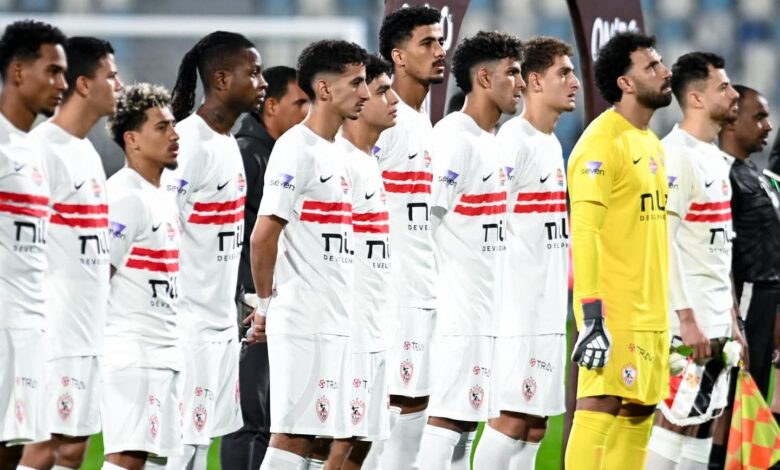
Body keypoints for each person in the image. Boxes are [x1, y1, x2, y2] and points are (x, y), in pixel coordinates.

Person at [249, 39, 369, 470]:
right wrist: (266, 305)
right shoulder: (295, 147)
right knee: (293, 437)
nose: (365, 93)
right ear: (324, 88)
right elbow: (264, 235)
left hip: (333, 317)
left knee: (319, 441)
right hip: (304, 320)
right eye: (356, 83)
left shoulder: (336, 152)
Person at [563, 31, 673, 470]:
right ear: (625, 83)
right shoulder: (601, 143)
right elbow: (584, 233)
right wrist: (591, 316)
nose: (665, 72)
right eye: (652, 67)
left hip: (652, 313)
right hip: (615, 313)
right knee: (599, 408)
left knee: (639, 414)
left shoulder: (651, 142)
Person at [162, 30, 268, 470]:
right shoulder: (187, 143)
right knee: (180, 448)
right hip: (188, 325)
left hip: (219, 323)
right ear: (222, 79)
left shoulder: (226, 143)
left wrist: (240, 299)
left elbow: (218, 239)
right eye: (254, 73)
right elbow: (162, 227)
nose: (262, 82)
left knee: (201, 444)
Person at [420, 30, 524, 470]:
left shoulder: (491, 141)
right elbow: (423, 229)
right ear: (483, 78)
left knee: (463, 430)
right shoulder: (454, 139)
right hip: (456, 316)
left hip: (483, 313)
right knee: (445, 422)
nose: (522, 83)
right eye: (512, 73)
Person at [476, 36, 580, 469]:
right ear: (535, 81)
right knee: (509, 420)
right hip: (516, 311)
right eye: (564, 73)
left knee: (535, 426)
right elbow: (488, 221)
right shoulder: (512, 141)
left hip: (547, 308)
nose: (574, 82)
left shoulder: (551, 144)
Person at [18, 37, 122, 470]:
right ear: (83, 84)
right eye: (111, 76)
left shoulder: (86, 152)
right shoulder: (40, 150)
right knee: (41, 448)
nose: (120, 85)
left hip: (87, 332)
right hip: (52, 332)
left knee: (73, 451)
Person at [645, 51, 745, 470]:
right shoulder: (676, 155)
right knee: (674, 422)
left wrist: (732, 318)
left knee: (703, 424)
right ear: (696, 98)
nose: (734, 94)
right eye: (724, 86)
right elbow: (662, 243)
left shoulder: (712, 156)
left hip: (715, 319)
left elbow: (719, 249)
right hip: (688, 325)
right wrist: (685, 318)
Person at [220, 64, 309, 470]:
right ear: (271, 106)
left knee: (272, 418)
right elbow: (233, 236)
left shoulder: (281, 153)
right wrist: (249, 296)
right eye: (299, 102)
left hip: (272, 304)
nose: (307, 111)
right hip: (249, 306)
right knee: (250, 418)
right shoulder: (247, 155)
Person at [371, 7, 445, 467]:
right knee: (387, 416)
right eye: (427, 43)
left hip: (421, 291)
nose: (439, 51)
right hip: (392, 296)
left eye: (440, 42)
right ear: (398, 56)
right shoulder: (387, 122)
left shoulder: (422, 123)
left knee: (414, 411)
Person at [101, 83, 181, 470]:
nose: (174, 135)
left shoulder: (161, 195)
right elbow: (98, 276)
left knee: (151, 462)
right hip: (133, 353)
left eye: (173, 125)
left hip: (162, 351)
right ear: (132, 139)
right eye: (161, 127)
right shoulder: (124, 197)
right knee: (127, 459)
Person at [324, 53, 398, 470]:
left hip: (375, 321)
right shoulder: (339, 162)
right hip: (348, 325)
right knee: (338, 442)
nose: (392, 100)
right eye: (383, 91)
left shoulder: (370, 160)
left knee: (363, 441)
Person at [0, 19, 66, 469]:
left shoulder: (33, 149)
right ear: (19, 71)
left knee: (15, 450)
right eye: (53, 71)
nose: (62, 84)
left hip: (28, 326)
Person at [715, 85, 777, 467]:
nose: (767, 125)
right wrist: (734, 314)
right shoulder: (721, 175)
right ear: (731, 121)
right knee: (734, 400)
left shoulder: (753, 173)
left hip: (766, 301)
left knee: (754, 398)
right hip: (746, 300)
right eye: (759, 117)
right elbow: (720, 253)